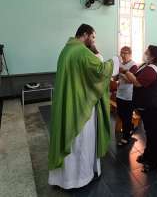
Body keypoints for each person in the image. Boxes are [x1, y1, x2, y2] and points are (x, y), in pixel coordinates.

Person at [48, 24, 119, 189]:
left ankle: (63, 178)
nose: (93, 41)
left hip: (70, 100)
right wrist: (115, 60)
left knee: (71, 140)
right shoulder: (81, 51)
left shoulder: (67, 49)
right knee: (80, 141)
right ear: (85, 35)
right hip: (81, 106)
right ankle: (79, 178)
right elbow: (101, 70)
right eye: (92, 37)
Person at [125, 45, 157, 173]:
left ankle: (154, 162)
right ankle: (147, 155)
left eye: (147, 52)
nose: (144, 53)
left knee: (154, 134)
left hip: (154, 106)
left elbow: (138, 83)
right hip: (147, 106)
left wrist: (126, 71)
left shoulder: (153, 68)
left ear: (153, 56)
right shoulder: (146, 65)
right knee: (148, 132)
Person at [116, 46, 138, 146]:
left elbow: (130, 81)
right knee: (120, 114)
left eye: (125, 53)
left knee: (127, 116)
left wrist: (122, 73)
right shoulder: (120, 64)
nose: (123, 55)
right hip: (120, 93)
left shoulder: (133, 65)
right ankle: (130, 127)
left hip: (129, 94)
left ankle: (125, 138)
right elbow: (116, 76)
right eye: (121, 53)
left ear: (130, 54)